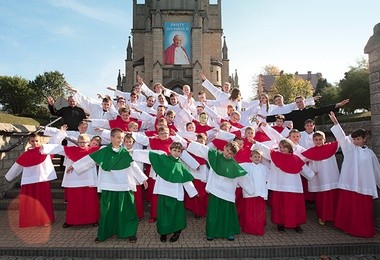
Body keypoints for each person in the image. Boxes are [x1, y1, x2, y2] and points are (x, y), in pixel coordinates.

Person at [68, 128, 148, 242]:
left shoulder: (125, 152)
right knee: (107, 211)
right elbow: (90, 159)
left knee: (127, 210)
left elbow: (133, 165)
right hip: (108, 185)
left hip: (124, 186)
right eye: (118, 137)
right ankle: (104, 233)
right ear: (111, 138)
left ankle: (130, 232)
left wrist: (142, 178)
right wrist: (75, 166)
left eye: (122, 138)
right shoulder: (104, 150)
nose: (121, 140)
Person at [186, 140, 255, 241]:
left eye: (231, 153)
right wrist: (190, 143)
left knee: (227, 214)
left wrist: (252, 190)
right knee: (214, 213)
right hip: (215, 190)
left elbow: (243, 177)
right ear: (224, 147)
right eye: (227, 150)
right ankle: (211, 232)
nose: (227, 154)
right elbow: (202, 149)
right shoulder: (215, 156)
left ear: (234, 154)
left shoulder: (234, 165)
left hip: (228, 193)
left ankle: (229, 232)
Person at [132, 142, 198, 243]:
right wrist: (133, 152)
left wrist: (193, 192)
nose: (176, 153)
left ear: (180, 153)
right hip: (163, 191)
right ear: (170, 150)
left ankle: (177, 232)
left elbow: (187, 180)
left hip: (176, 194)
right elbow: (149, 155)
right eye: (174, 150)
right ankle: (163, 232)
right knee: (163, 214)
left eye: (178, 151)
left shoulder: (181, 166)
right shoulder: (162, 158)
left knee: (176, 214)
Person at [329, 111, 380, 238]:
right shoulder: (349, 149)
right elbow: (342, 137)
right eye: (354, 139)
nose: (356, 141)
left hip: (364, 186)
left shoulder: (370, 154)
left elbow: (376, 170)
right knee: (349, 208)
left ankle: (362, 230)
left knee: (362, 211)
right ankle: (346, 227)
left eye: (358, 139)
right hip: (350, 184)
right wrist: (336, 122)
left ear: (364, 139)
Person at [252, 138, 315, 233]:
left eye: (284, 147)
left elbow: (305, 170)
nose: (282, 149)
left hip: (294, 187)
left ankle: (296, 224)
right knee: (280, 206)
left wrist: (313, 174)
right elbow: (265, 150)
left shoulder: (296, 158)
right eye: (280, 147)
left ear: (290, 148)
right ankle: (280, 224)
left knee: (295, 207)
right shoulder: (275, 155)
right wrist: (256, 143)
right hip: (280, 186)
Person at [41, 134, 101, 228]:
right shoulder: (71, 150)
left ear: (89, 143)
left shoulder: (94, 151)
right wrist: (44, 147)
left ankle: (93, 219)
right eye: (80, 142)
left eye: (84, 142)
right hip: (74, 181)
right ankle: (71, 220)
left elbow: (106, 149)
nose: (82, 144)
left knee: (90, 202)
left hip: (89, 180)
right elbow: (58, 148)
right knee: (74, 202)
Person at [5, 133, 58, 228]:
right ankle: (30, 220)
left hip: (42, 179)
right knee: (30, 202)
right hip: (29, 180)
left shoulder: (45, 151)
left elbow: (54, 143)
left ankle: (45, 219)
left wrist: (60, 133)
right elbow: (17, 166)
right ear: (29, 142)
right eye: (32, 141)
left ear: (40, 141)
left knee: (43, 201)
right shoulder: (26, 154)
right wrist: (8, 177)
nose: (35, 143)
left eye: (37, 141)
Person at [301, 131, 340, 225]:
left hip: (332, 178)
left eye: (320, 139)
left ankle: (334, 217)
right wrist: (310, 173)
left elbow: (343, 139)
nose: (318, 141)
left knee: (333, 199)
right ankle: (323, 217)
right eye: (316, 140)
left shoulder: (331, 147)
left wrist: (336, 124)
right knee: (322, 200)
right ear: (313, 141)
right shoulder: (310, 151)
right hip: (321, 180)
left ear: (324, 139)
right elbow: (298, 162)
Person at [266, 97, 349, 131]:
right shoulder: (294, 113)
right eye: (297, 102)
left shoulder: (311, 111)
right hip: (298, 136)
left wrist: (338, 105)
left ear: (304, 102)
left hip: (311, 134)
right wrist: (265, 118)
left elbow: (323, 109)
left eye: (300, 101)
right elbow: (281, 117)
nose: (299, 103)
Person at [240, 149, 270, 236]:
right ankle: (249, 228)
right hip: (250, 193)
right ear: (250, 158)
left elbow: (268, 179)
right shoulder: (246, 166)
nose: (257, 158)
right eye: (255, 156)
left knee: (259, 212)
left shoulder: (264, 168)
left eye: (259, 157)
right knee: (249, 211)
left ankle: (258, 226)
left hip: (261, 193)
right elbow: (236, 168)